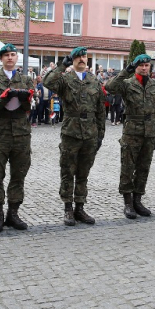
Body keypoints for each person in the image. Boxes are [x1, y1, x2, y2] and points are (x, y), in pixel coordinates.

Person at [42, 46, 105, 226]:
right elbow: (47, 82)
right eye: (77, 57)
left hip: (90, 133)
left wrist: (100, 134)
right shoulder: (65, 79)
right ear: (73, 60)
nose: (81, 59)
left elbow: (101, 110)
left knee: (84, 172)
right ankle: (68, 208)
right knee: (68, 171)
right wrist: (62, 66)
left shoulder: (94, 81)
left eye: (84, 56)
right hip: (71, 132)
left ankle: (80, 207)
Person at [105, 54, 155, 219]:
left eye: (147, 65)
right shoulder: (127, 84)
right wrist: (127, 70)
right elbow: (110, 87)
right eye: (141, 66)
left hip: (150, 133)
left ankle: (138, 200)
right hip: (132, 131)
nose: (145, 68)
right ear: (136, 67)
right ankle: (127, 203)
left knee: (143, 168)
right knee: (128, 168)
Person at [0, 44, 35, 232]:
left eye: (13, 55)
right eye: (6, 55)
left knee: (19, 175)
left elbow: (31, 106)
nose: (10, 58)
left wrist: (25, 99)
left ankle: (13, 213)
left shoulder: (26, 80)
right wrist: (6, 96)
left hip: (21, 133)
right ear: (1, 59)